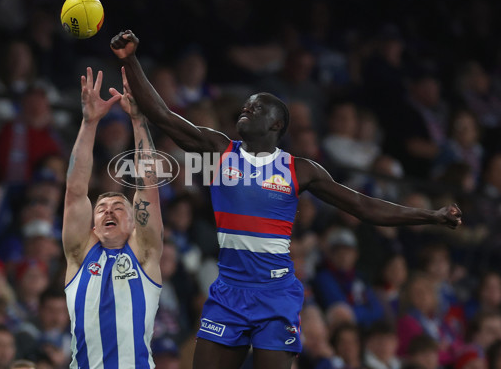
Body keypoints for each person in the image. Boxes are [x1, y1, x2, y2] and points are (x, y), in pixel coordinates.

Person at [110, 30, 462, 369]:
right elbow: (163, 116)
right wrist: (131, 59)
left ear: (277, 124)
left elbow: (364, 206)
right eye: (245, 106)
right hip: (228, 292)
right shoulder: (219, 149)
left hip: (275, 294)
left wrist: (429, 215)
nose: (246, 110)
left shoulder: (301, 170)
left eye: (257, 108)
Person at [63, 67, 163, 368]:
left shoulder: (144, 254)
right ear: (93, 226)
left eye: (119, 207)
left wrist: (137, 119)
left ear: (134, 224)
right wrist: (89, 122)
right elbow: (76, 191)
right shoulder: (80, 254)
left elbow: (148, 189)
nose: (108, 209)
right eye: (102, 207)